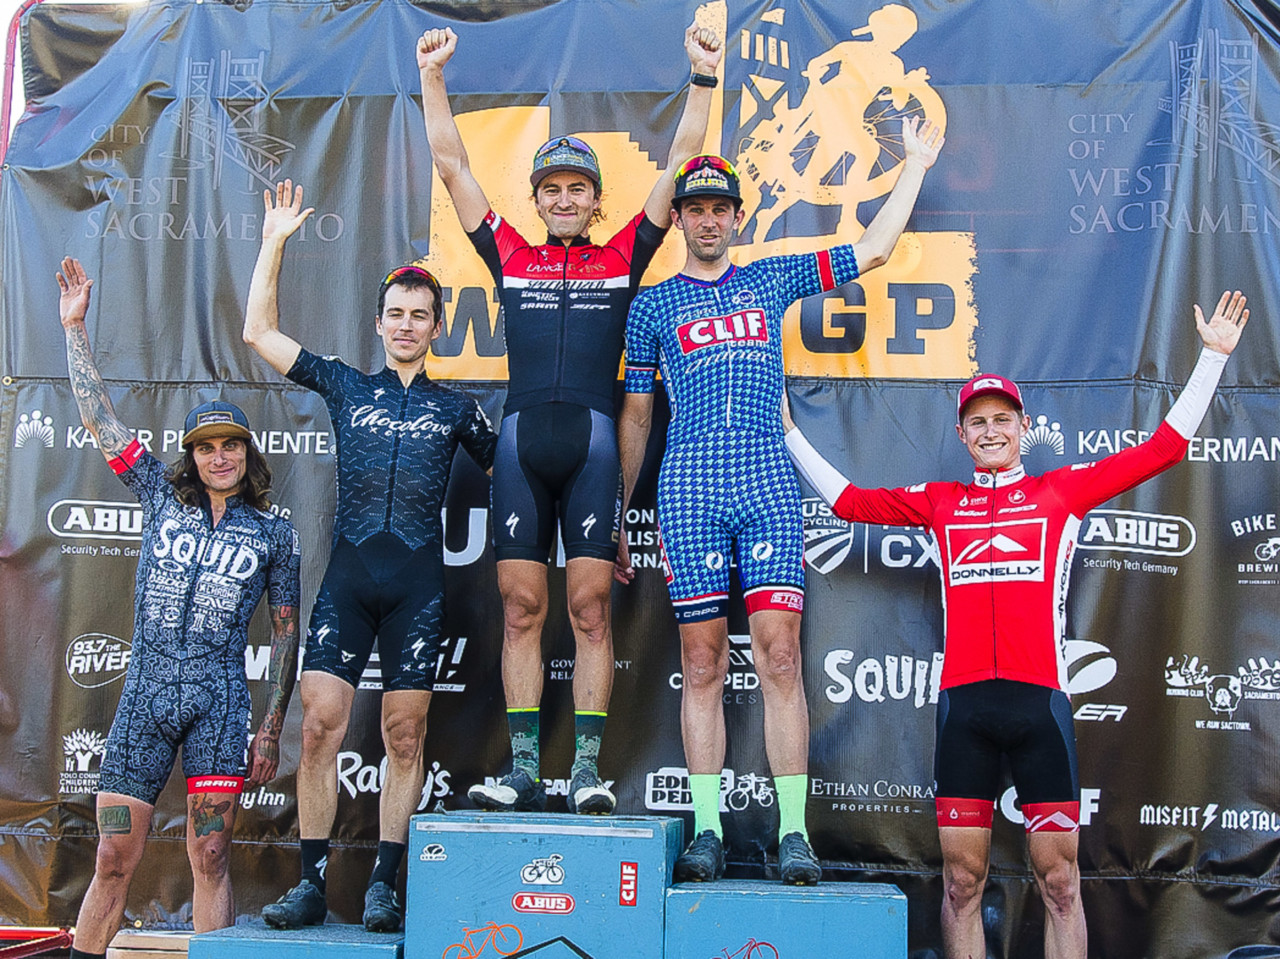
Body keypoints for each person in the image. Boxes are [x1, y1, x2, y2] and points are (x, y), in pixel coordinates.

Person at [781, 293, 1249, 957]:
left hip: (1040, 706)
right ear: (962, 435)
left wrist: (1213, 357)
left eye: (1003, 418)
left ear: (1023, 426)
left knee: (1060, 881)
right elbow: (847, 500)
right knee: (961, 882)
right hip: (963, 709)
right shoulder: (941, 502)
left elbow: (1166, 449)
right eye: (978, 421)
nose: (991, 429)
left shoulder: (1062, 492)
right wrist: (792, 432)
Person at [615, 117, 944, 883]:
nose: (705, 218)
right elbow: (636, 414)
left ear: (736, 216)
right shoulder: (651, 306)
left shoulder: (769, 277)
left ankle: (794, 832)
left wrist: (917, 165)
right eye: (692, 208)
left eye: (717, 208)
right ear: (681, 218)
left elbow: (872, 252)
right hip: (688, 486)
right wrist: (619, 515)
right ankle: (705, 830)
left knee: (782, 656)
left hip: (764, 480)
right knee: (700, 662)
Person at [416, 21, 722, 815]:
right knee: (521, 608)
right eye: (550, 188)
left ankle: (585, 768)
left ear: (593, 200)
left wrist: (703, 75)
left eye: (576, 189)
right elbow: (450, 163)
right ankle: (523, 767)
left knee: (588, 610)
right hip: (521, 446)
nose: (562, 198)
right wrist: (433, 79)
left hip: (589, 450)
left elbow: (683, 156)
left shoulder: (623, 254)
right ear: (538, 197)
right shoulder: (509, 254)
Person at [243, 182, 498, 931]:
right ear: (379, 322)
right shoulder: (347, 385)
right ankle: (312, 881)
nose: (408, 325)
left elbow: (515, 483)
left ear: (437, 326)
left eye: (422, 315)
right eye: (397, 313)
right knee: (320, 724)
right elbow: (259, 330)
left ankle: (386, 882)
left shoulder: (458, 410)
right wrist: (275, 239)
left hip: (418, 584)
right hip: (350, 578)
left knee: (404, 735)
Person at [55, 257, 300, 959]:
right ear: (190, 458)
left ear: (246, 454)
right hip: (145, 694)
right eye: (205, 448)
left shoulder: (274, 532)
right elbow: (100, 420)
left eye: (230, 446)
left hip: (220, 699)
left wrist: (271, 727)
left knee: (212, 857)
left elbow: (284, 638)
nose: (218, 457)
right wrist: (76, 330)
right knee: (110, 857)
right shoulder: (159, 498)